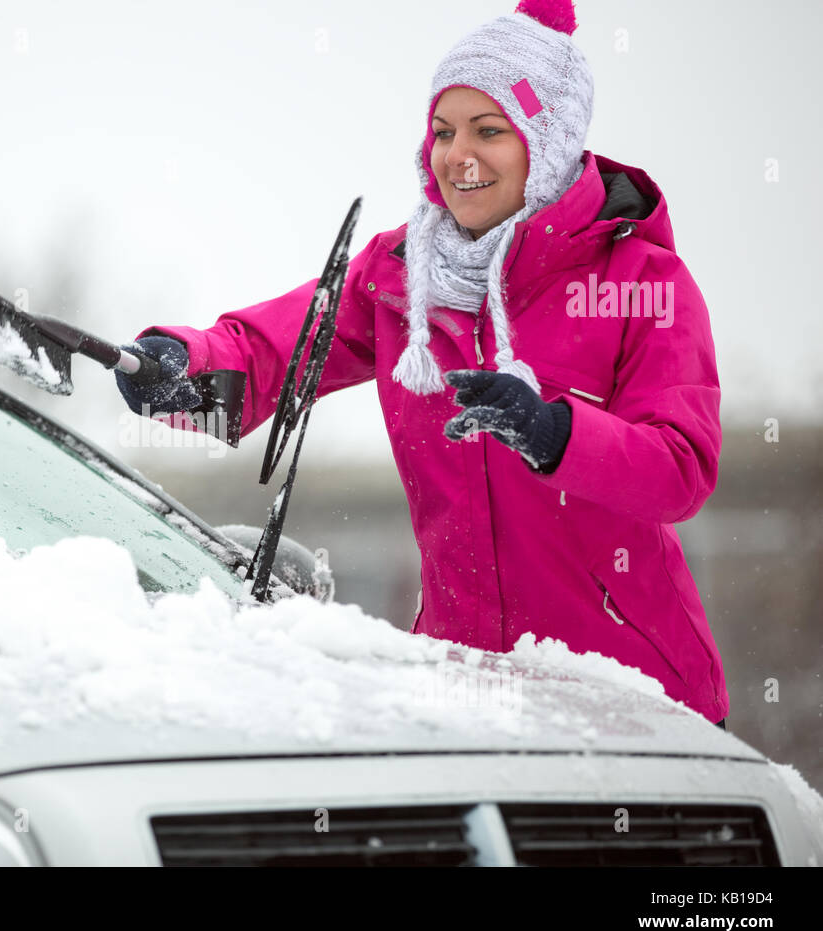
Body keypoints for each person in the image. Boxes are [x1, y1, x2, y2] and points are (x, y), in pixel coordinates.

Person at [114, 0, 730, 729]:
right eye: (443, 131)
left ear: (552, 139)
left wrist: (556, 434)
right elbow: (277, 348)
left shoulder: (638, 281)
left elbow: (681, 468)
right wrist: (180, 365)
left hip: (632, 699)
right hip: (462, 696)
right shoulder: (402, 274)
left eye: (489, 130)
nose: (457, 156)